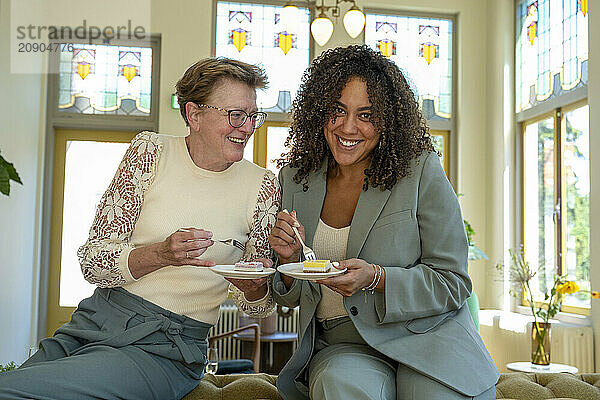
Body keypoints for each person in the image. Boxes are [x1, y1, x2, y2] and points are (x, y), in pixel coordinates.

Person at [0, 57, 280, 399]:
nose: (247, 127)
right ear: (194, 114)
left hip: (166, 351)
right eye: (236, 115)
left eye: (253, 116)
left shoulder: (262, 186)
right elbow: (93, 261)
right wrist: (162, 253)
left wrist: (253, 288)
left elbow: (260, 308)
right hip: (96, 322)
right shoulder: (150, 152)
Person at [268, 45, 499, 400]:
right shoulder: (295, 181)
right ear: (318, 111)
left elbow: (453, 282)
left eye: (366, 114)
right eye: (338, 110)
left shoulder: (420, 171)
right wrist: (286, 260)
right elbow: (299, 295)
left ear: (387, 119)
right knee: (339, 383)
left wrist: (377, 278)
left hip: (429, 336)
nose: (348, 127)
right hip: (343, 344)